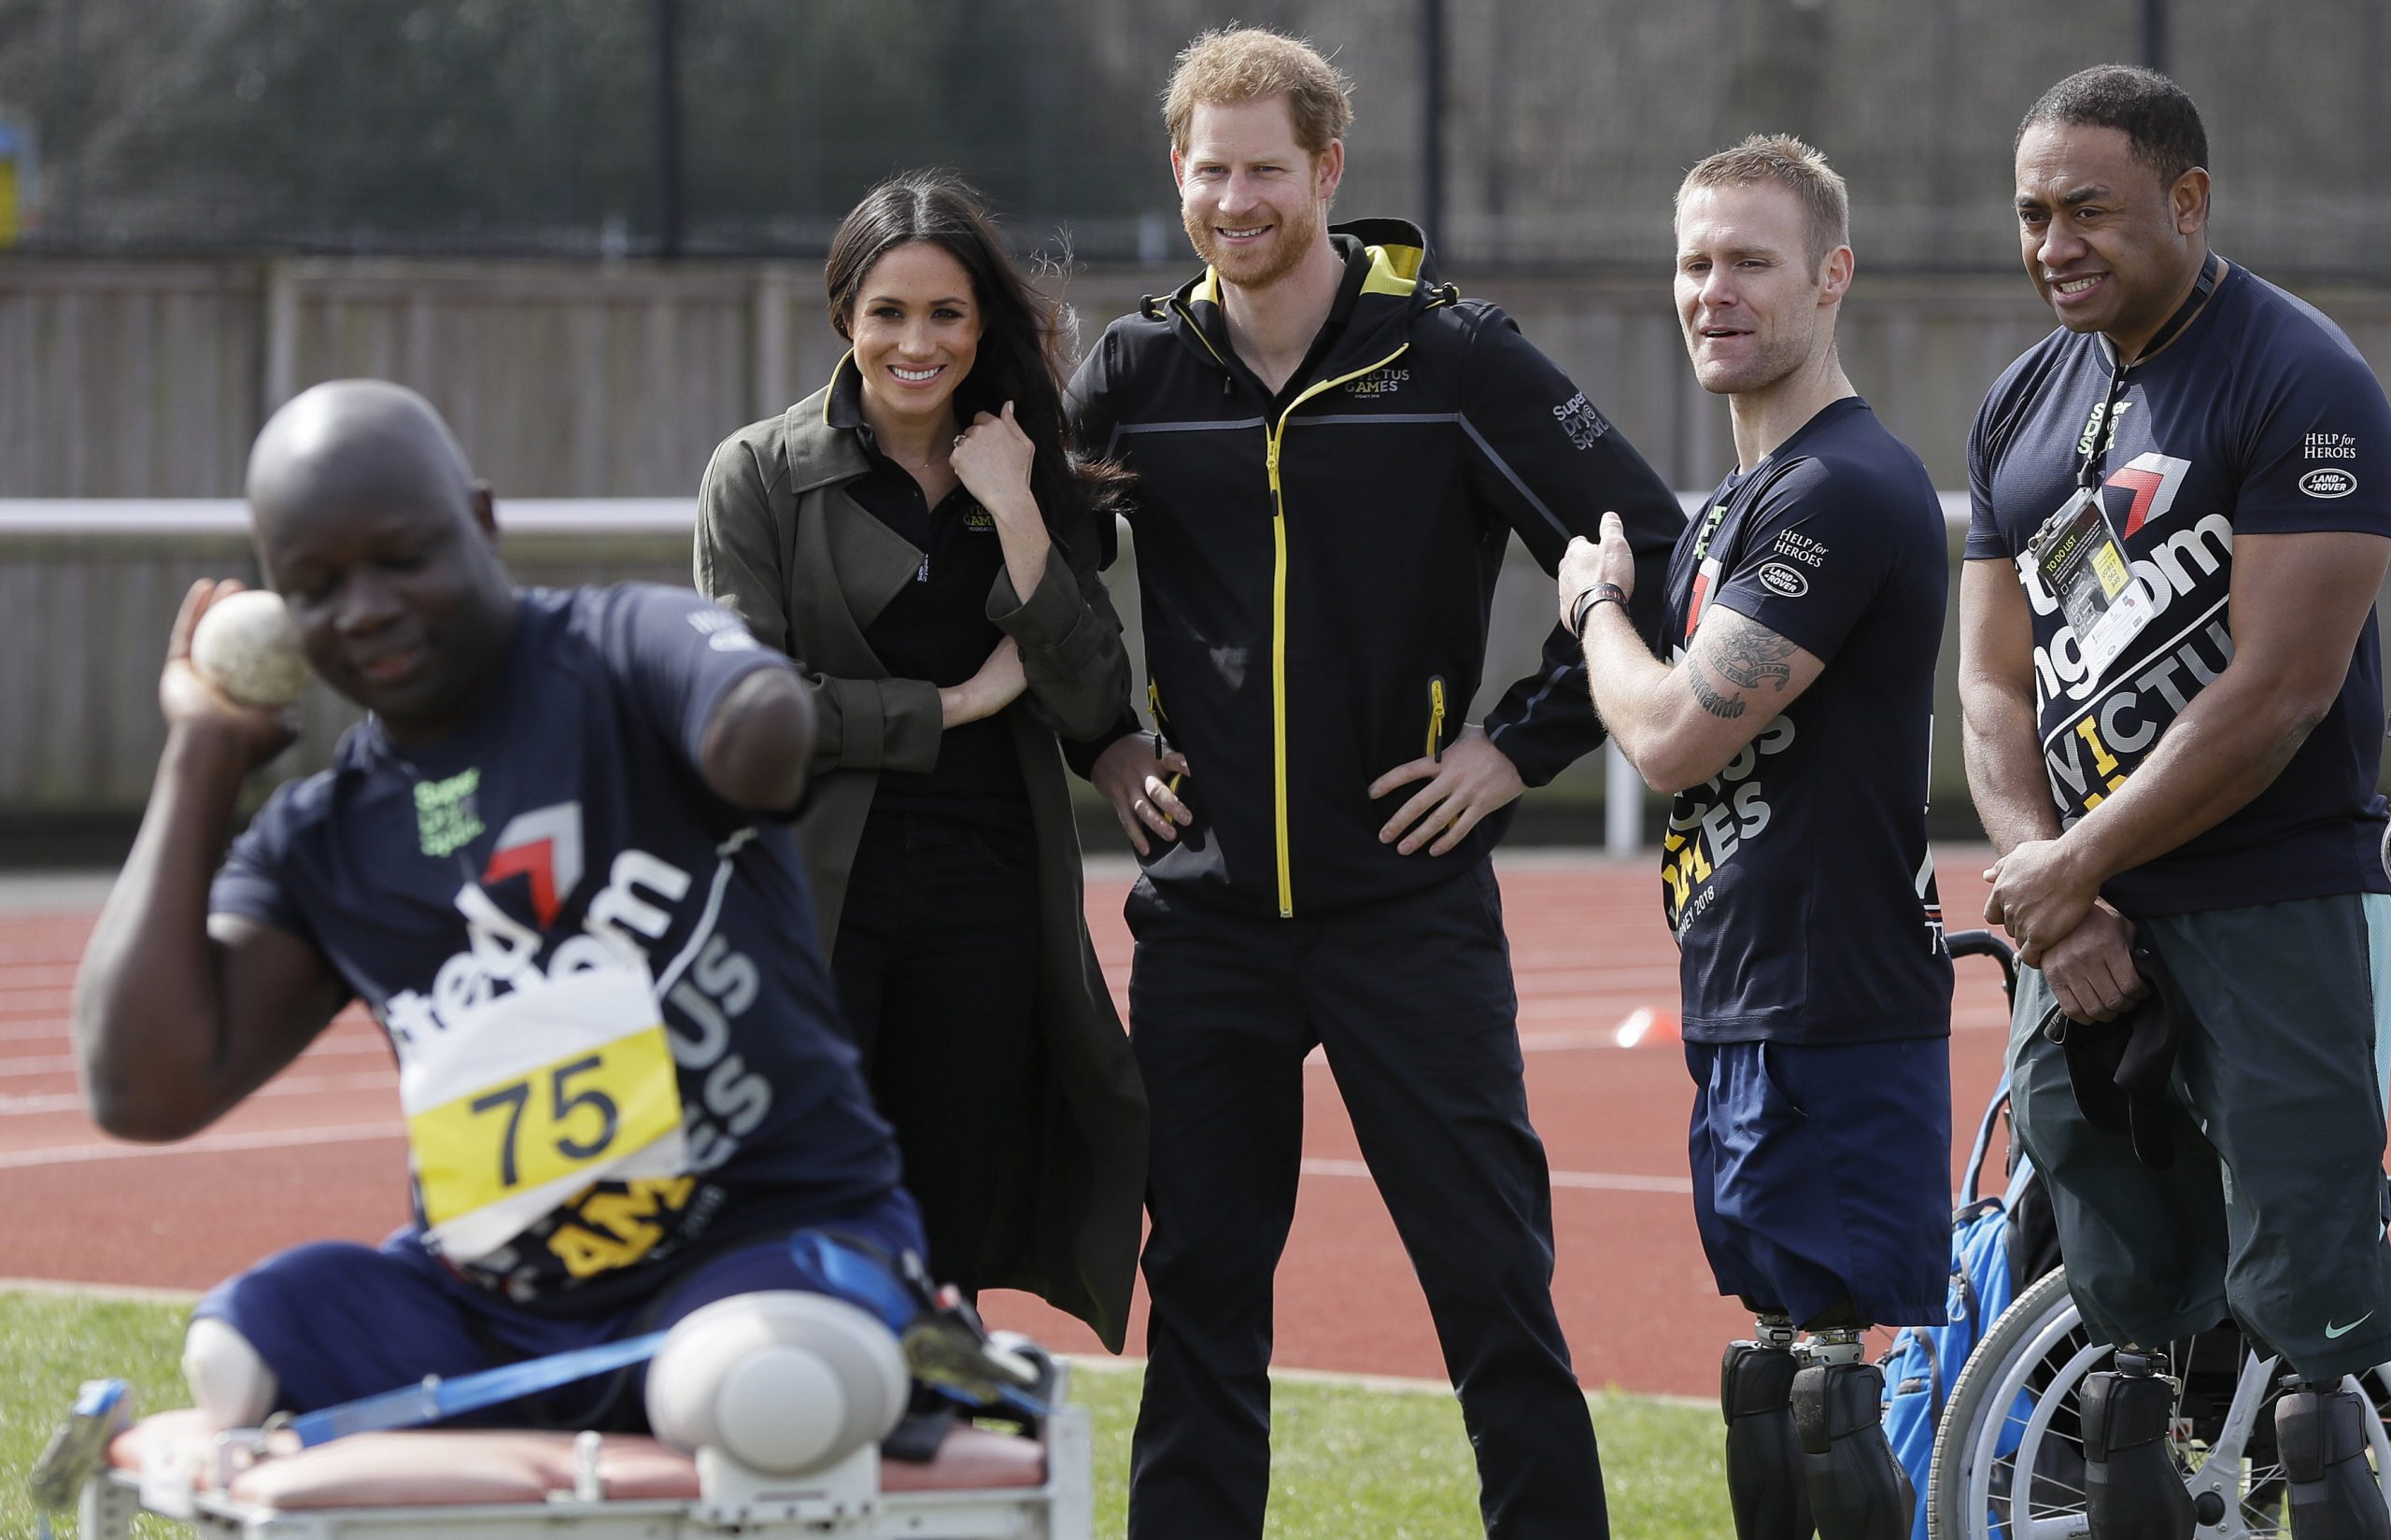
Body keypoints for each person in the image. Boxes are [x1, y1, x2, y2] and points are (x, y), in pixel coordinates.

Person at [1068, 27, 1685, 1539]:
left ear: (1328, 171)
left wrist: (1513, 747)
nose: (1236, 198)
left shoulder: (1453, 357)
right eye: (1210, 170)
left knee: (1491, 1285)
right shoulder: (1139, 372)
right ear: (1179, 173)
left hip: (1405, 912)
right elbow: (1039, 584)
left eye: (1265, 168)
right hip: (1206, 921)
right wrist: (1109, 743)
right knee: (1201, 1296)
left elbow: (1649, 543)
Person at [72, 379, 931, 1435]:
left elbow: (755, 715)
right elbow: (138, 1086)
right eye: (316, 585)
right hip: (498, 1310)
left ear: (481, 521)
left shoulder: (617, 648)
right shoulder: (323, 839)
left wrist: (747, 724)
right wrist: (200, 754)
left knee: (749, 1387)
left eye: (401, 559)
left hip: (765, 1245)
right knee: (238, 1348)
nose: (367, 607)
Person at [1961, 65, 2391, 1540]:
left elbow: (2281, 695)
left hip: (2274, 898)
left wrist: (2074, 861)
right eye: (2032, 215)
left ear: (2189, 202)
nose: (2054, 243)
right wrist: (2051, 884)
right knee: (2124, 1349)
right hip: (2085, 915)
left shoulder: (2305, 378)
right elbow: (1991, 693)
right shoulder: (2022, 401)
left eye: (2091, 209)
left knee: (2320, 1345)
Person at [1559, 135, 1953, 1540]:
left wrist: (1594, 607)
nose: (1711, 289)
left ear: (1832, 276)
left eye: (1750, 260)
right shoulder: (1740, 500)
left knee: (1828, 1380)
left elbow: (1670, 734)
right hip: (1746, 994)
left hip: (1833, 1001)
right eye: (1694, 259)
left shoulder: (1842, 488)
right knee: (1775, 1368)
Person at [691, 171, 1146, 1349]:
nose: (916, 342)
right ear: (844, 313)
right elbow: (745, 710)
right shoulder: (755, 474)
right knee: (803, 1222)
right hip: (811, 900)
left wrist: (1020, 512)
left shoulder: (1023, 468)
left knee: (941, 1243)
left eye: (945, 313)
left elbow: (1095, 694)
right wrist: (945, 706)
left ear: (982, 324)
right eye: (888, 311)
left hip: (989, 895)